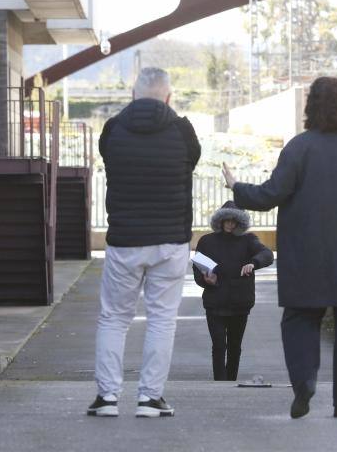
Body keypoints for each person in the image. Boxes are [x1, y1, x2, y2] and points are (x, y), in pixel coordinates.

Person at [221, 76, 337, 419]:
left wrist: (236, 186)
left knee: (300, 319)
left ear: (311, 108)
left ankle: (304, 383)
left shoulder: (300, 147)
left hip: (304, 252)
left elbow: (271, 194)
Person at [88, 67, 201, 418]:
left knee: (114, 319)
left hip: (125, 240)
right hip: (170, 241)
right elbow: (192, 161)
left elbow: (108, 157)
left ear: (133, 95)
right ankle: (150, 398)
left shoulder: (113, 129)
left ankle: (107, 398)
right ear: (168, 96)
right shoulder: (183, 130)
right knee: (162, 320)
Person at [192, 201, 274, 381]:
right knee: (219, 345)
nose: (229, 224)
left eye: (233, 220)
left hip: (240, 303)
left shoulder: (248, 240)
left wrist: (254, 263)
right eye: (226, 220)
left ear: (240, 222)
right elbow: (198, 269)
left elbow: (267, 255)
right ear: (219, 221)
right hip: (215, 302)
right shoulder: (207, 241)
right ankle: (220, 382)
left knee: (235, 345)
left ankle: (231, 381)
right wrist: (206, 280)